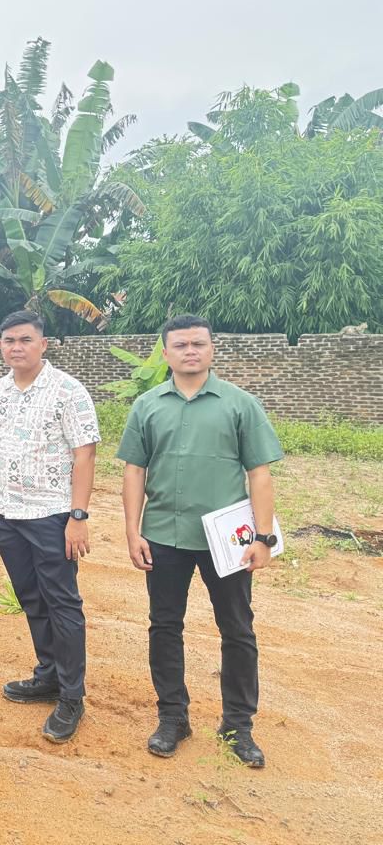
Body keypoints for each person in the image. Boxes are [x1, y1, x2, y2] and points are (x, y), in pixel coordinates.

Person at [117, 314, 283, 767]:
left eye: (198, 344)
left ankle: (238, 725)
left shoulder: (240, 404)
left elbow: (259, 473)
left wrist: (264, 538)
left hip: (226, 541)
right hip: (164, 536)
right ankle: (173, 717)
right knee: (165, 627)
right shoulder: (147, 406)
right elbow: (134, 470)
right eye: (181, 345)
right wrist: (133, 531)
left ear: (212, 349)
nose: (191, 351)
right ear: (166, 353)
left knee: (237, 629)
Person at [0, 310, 99, 743]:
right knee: (31, 597)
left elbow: (85, 455)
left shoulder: (68, 391)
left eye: (25, 340)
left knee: (62, 602)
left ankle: (71, 696)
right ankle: (47, 674)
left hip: (52, 515)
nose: (16, 347)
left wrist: (78, 517)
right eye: (9, 340)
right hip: (7, 512)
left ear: (42, 344)